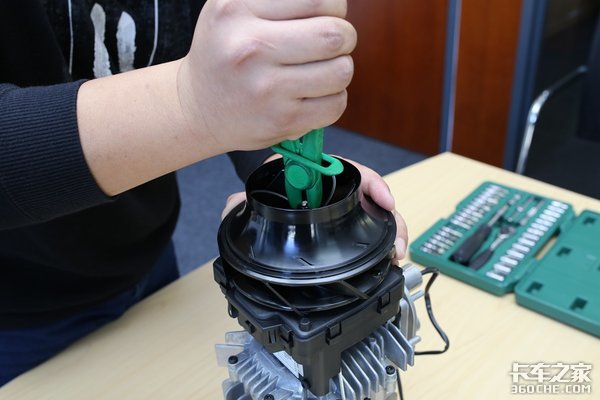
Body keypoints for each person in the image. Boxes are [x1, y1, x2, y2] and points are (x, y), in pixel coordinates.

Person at [0, 0, 408, 386]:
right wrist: (188, 100)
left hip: (150, 254)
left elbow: (233, 55)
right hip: (22, 309)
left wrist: (274, 159)